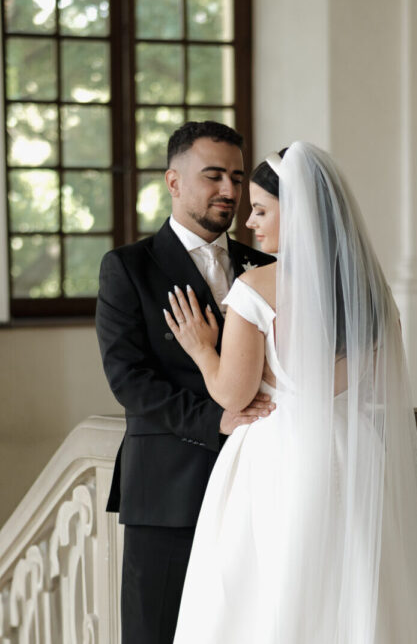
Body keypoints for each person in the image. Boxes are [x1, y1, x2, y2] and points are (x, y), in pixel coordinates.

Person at [165, 142, 417, 643]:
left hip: (279, 455)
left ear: (296, 212)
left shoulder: (256, 288)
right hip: (356, 448)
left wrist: (200, 348)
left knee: (272, 590)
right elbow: (377, 383)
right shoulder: (372, 293)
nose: (249, 223)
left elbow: (233, 396)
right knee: (358, 583)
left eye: (260, 210)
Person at [95, 121, 277, 643]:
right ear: (174, 182)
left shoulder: (263, 264)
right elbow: (128, 379)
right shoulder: (129, 268)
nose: (229, 191)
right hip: (168, 487)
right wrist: (216, 419)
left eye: (238, 179)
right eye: (214, 175)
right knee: (156, 633)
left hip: (257, 481)